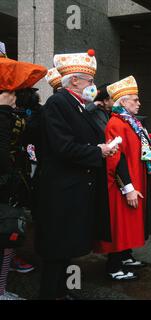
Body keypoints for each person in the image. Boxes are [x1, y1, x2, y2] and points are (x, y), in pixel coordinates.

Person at [36, 49, 117, 300]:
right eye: (90, 81)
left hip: (72, 188)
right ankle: (51, 294)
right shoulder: (58, 103)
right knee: (56, 248)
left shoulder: (77, 105)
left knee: (66, 246)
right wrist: (98, 151)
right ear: (74, 81)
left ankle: (61, 292)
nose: (93, 86)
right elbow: (63, 147)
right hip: (60, 190)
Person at [94, 76, 151, 281]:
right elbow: (116, 158)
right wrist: (127, 187)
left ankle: (124, 257)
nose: (139, 103)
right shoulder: (116, 123)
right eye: (134, 99)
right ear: (123, 102)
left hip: (135, 176)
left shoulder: (130, 122)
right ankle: (114, 267)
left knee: (129, 222)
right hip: (123, 182)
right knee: (120, 224)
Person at [0, 40, 47, 300]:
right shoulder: (4, 112)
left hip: (10, 185)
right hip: (7, 183)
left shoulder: (11, 110)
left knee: (8, 236)